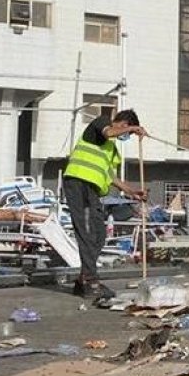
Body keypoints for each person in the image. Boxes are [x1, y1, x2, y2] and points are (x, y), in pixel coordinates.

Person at [63, 109, 147, 300]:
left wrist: (131, 191)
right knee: (86, 230)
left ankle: (83, 278)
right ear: (123, 124)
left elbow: (110, 176)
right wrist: (136, 128)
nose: (125, 136)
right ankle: (91, 280)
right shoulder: (100, 123)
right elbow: (108, 132)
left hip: (91, 190)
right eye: (127, 132)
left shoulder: (111, 150)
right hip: (78, 181)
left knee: (99, 234)